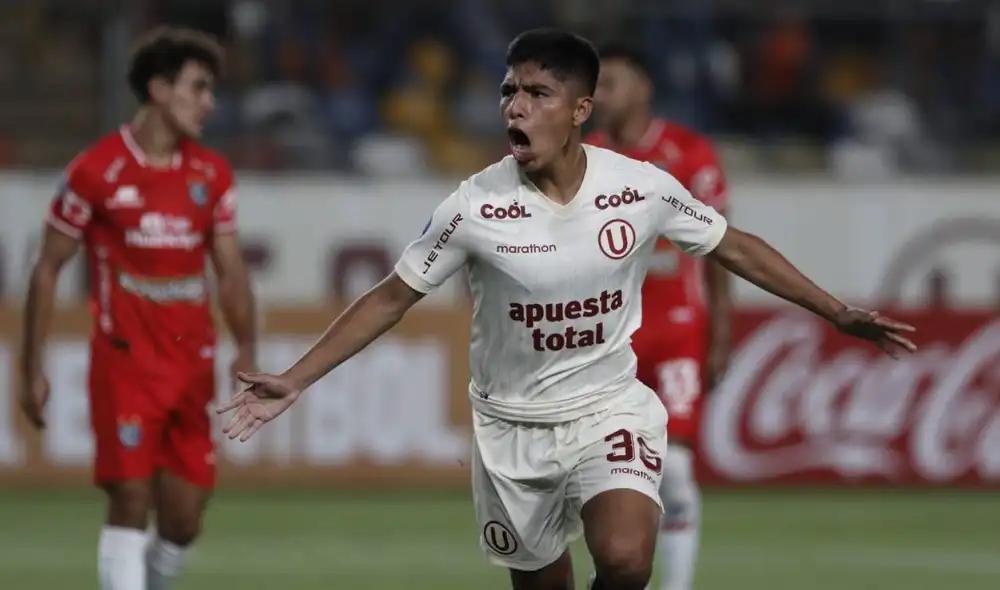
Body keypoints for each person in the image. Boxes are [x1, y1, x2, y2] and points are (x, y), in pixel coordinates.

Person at [217, 28, 916, 590]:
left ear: (581, 110)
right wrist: (297, 378)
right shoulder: (474, 206)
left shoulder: (639, 188)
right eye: (509, 91)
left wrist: (834, 311)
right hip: (510, 426)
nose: (514, 107)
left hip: (608, 406)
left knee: (626, 558)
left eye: (537, 93)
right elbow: (391, 298)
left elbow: (734, 246)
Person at [18, 27, 257, 590]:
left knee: (183, 519)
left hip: (192, 367)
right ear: (157, 88)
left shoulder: (211, 174)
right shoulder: (95, 172)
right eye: (198, 88)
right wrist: (29, 367)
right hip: (124, 364)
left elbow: (231, 270)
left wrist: (245, 348)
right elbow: (47, 267)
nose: (209, 104)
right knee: (129, 497)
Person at [586, 42, 729, 590]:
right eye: (596, 86)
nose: (600, 96)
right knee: (604, 480)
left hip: (676, 335)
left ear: (643, 87)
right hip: (606, 340)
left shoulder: (690, 153)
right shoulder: (586, 156)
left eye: (612, 83)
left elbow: (722, 249)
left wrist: (720, 334)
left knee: (677, 474)